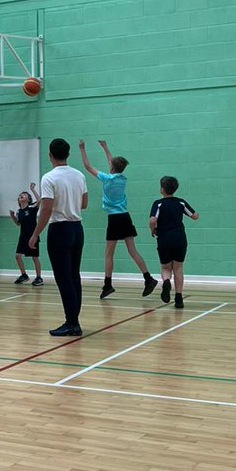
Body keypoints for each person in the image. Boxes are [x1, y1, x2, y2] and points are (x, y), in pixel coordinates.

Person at [78, 140, 157, 300]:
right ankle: (148, 278)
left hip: (114, 219)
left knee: (108, 253)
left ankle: (108, 285)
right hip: (125, 217)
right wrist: (106, 147)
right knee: (132, 251)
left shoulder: (106, 178)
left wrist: (82, 149)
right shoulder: (122, 178)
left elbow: (87, 166)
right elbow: (112, 162)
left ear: (112, 167)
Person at [29, 139, 88, 336]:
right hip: (77, 228)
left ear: (50, 155)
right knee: (73, 275)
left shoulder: (49, 178)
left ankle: (72, 322)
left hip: (60, 230)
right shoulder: (79, 175)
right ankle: (74, 320)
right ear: (68, 154)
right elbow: (84, 203)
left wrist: (35, 234)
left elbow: (46, 209)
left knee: (63, 278)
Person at [149, 176, 199, 309]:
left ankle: (166, 282)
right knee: (178, 268)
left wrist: (152, 230)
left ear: (162, 189)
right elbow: (195, 216)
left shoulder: (158, 203)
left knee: (166, 267)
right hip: (179, 238)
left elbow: (153, 220)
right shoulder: (180, 203)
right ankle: (178, 298)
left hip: (164, 238)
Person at [9, 184, 43, 286]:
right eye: (20, 195)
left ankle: (38, 277)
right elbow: (18, 223)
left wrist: (32, 189)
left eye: (24, 195)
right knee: (17, 256)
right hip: (23, 237)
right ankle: (24, 275)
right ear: (19, 200)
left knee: (34, 257)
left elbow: (40, 200)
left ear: (28, 199)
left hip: (32, 236)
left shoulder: (32, 207)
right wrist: (12, 217)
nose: (21, 196)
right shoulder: (19, 211)